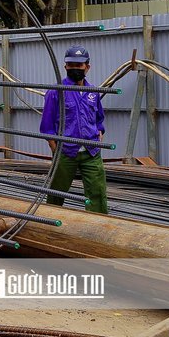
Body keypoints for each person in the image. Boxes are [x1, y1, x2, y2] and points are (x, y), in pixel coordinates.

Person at [39, 45, 108, 213]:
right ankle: (50, 221)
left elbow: (99, 117)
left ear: (87, 67)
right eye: (71, 65)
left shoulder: (93, 92)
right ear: (65, 67)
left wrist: (100, 131)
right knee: (56, 191)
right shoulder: (56, 91)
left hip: (91, 151)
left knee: (97, 192)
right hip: (66, 152)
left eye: (79, 65)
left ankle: (98, 225)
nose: (75, 69)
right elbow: (47, 125)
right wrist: (55, 148)